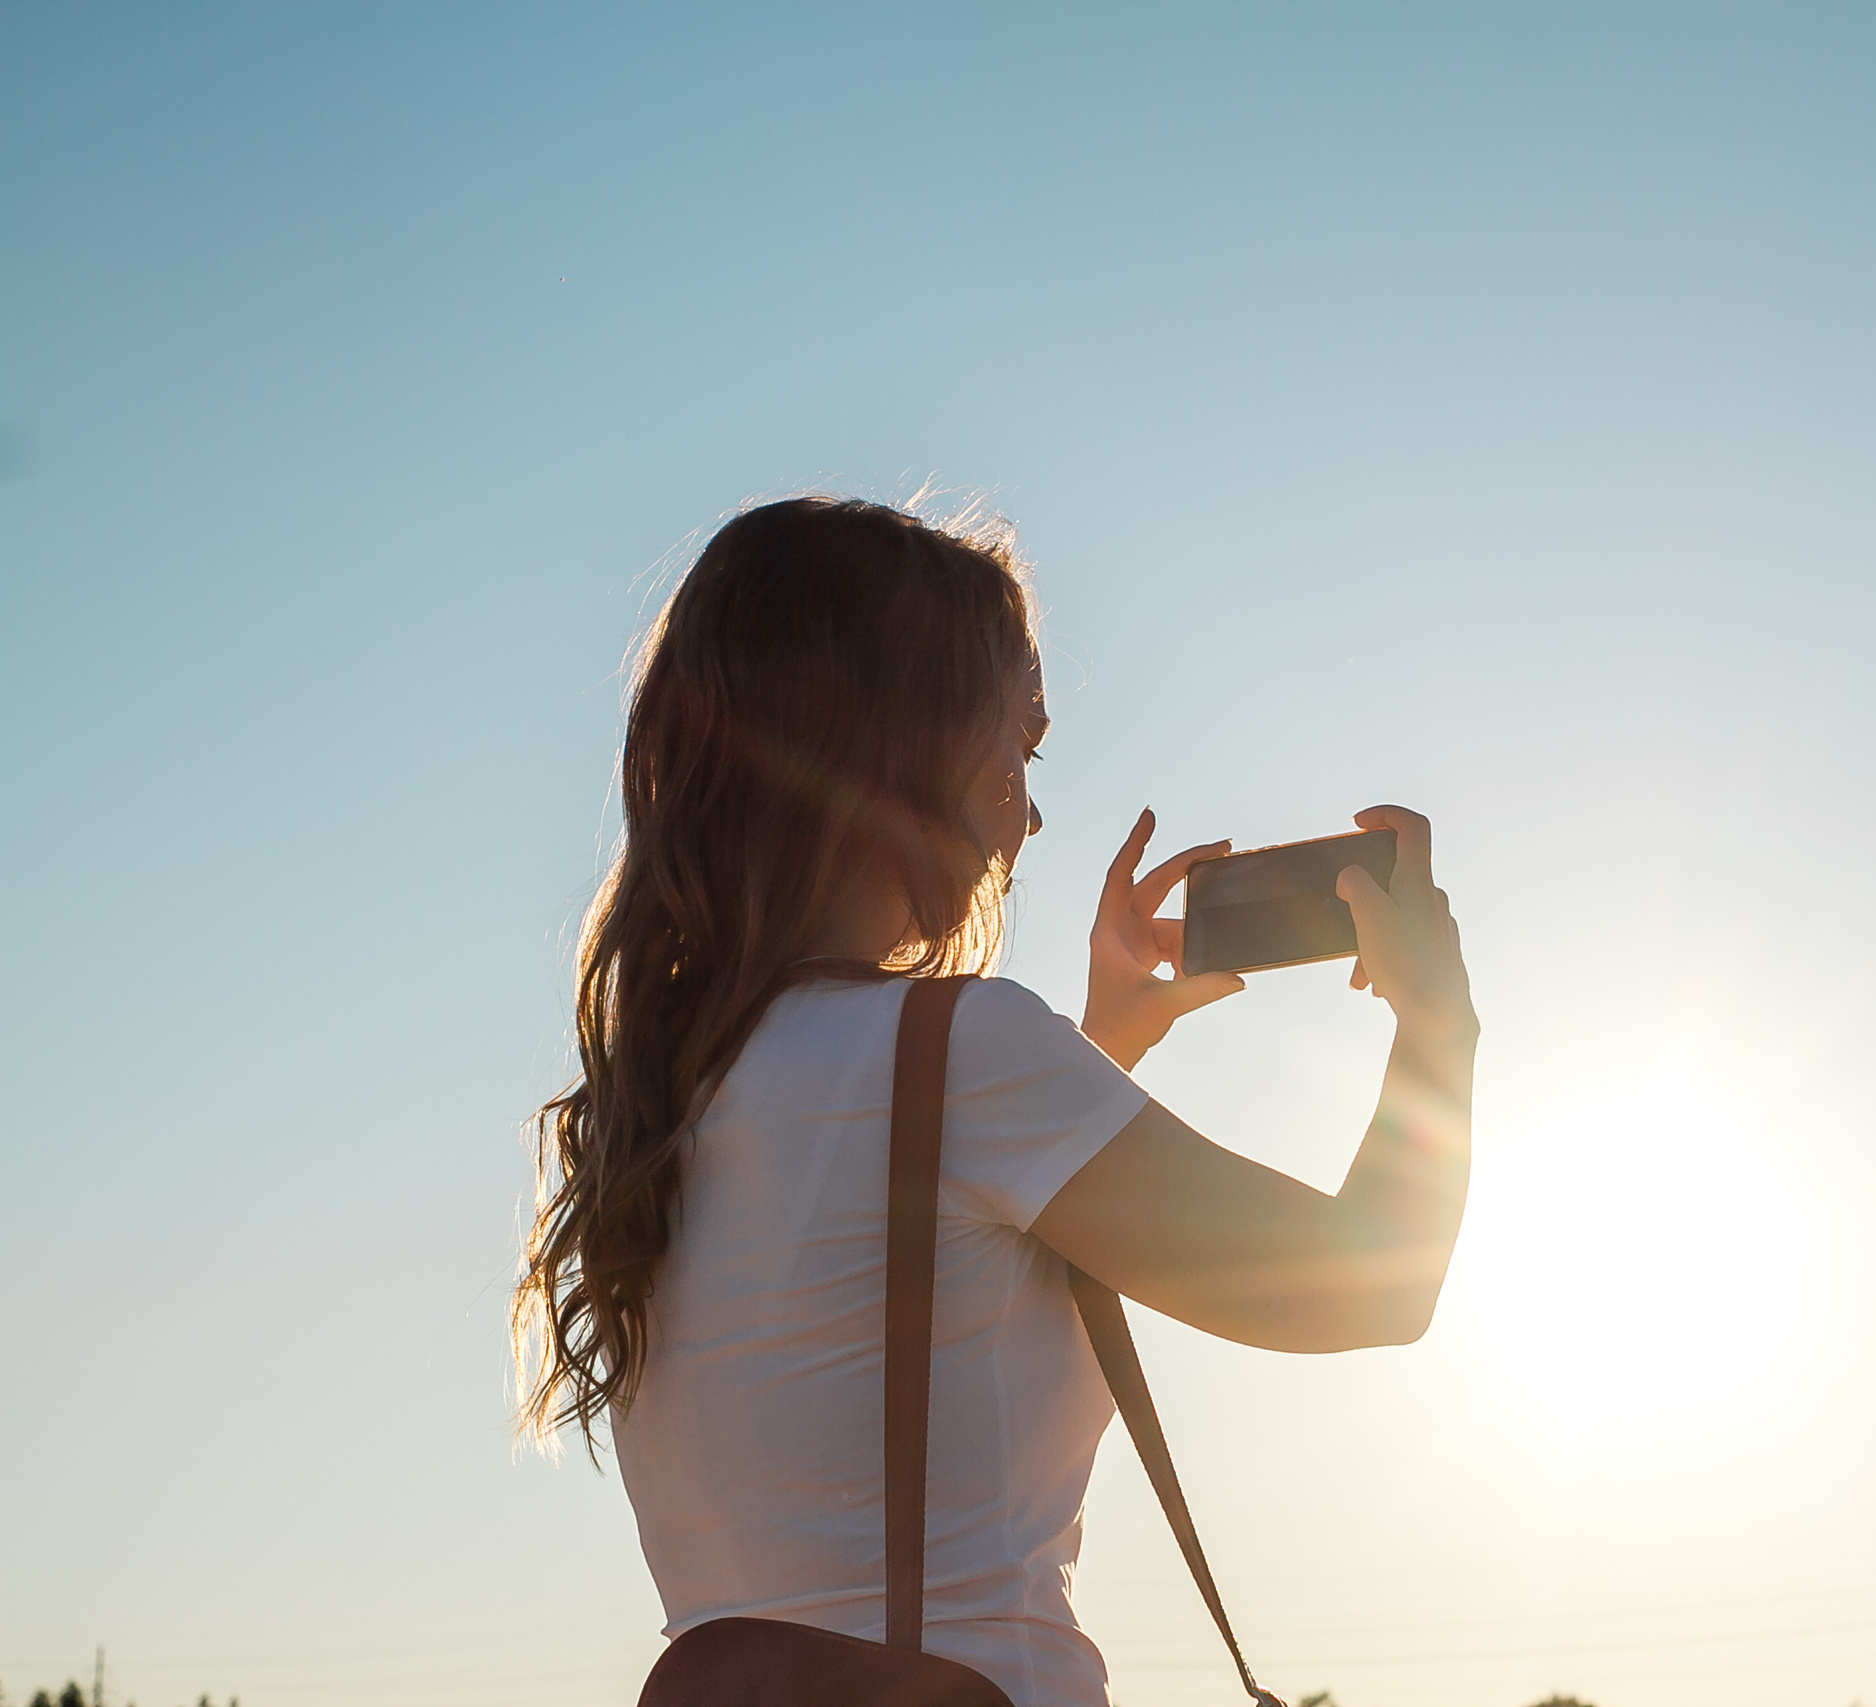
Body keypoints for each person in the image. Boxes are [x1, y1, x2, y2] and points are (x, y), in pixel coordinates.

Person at [513, 497, 1477, 1707]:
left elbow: (907, 1290)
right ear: (900, 742)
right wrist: (1437, 1022)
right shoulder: (969, 1054)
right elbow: (1369, 1285)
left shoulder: (659, 1107)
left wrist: (1102, 1046)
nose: (1030, 811)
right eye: (1021, 745)